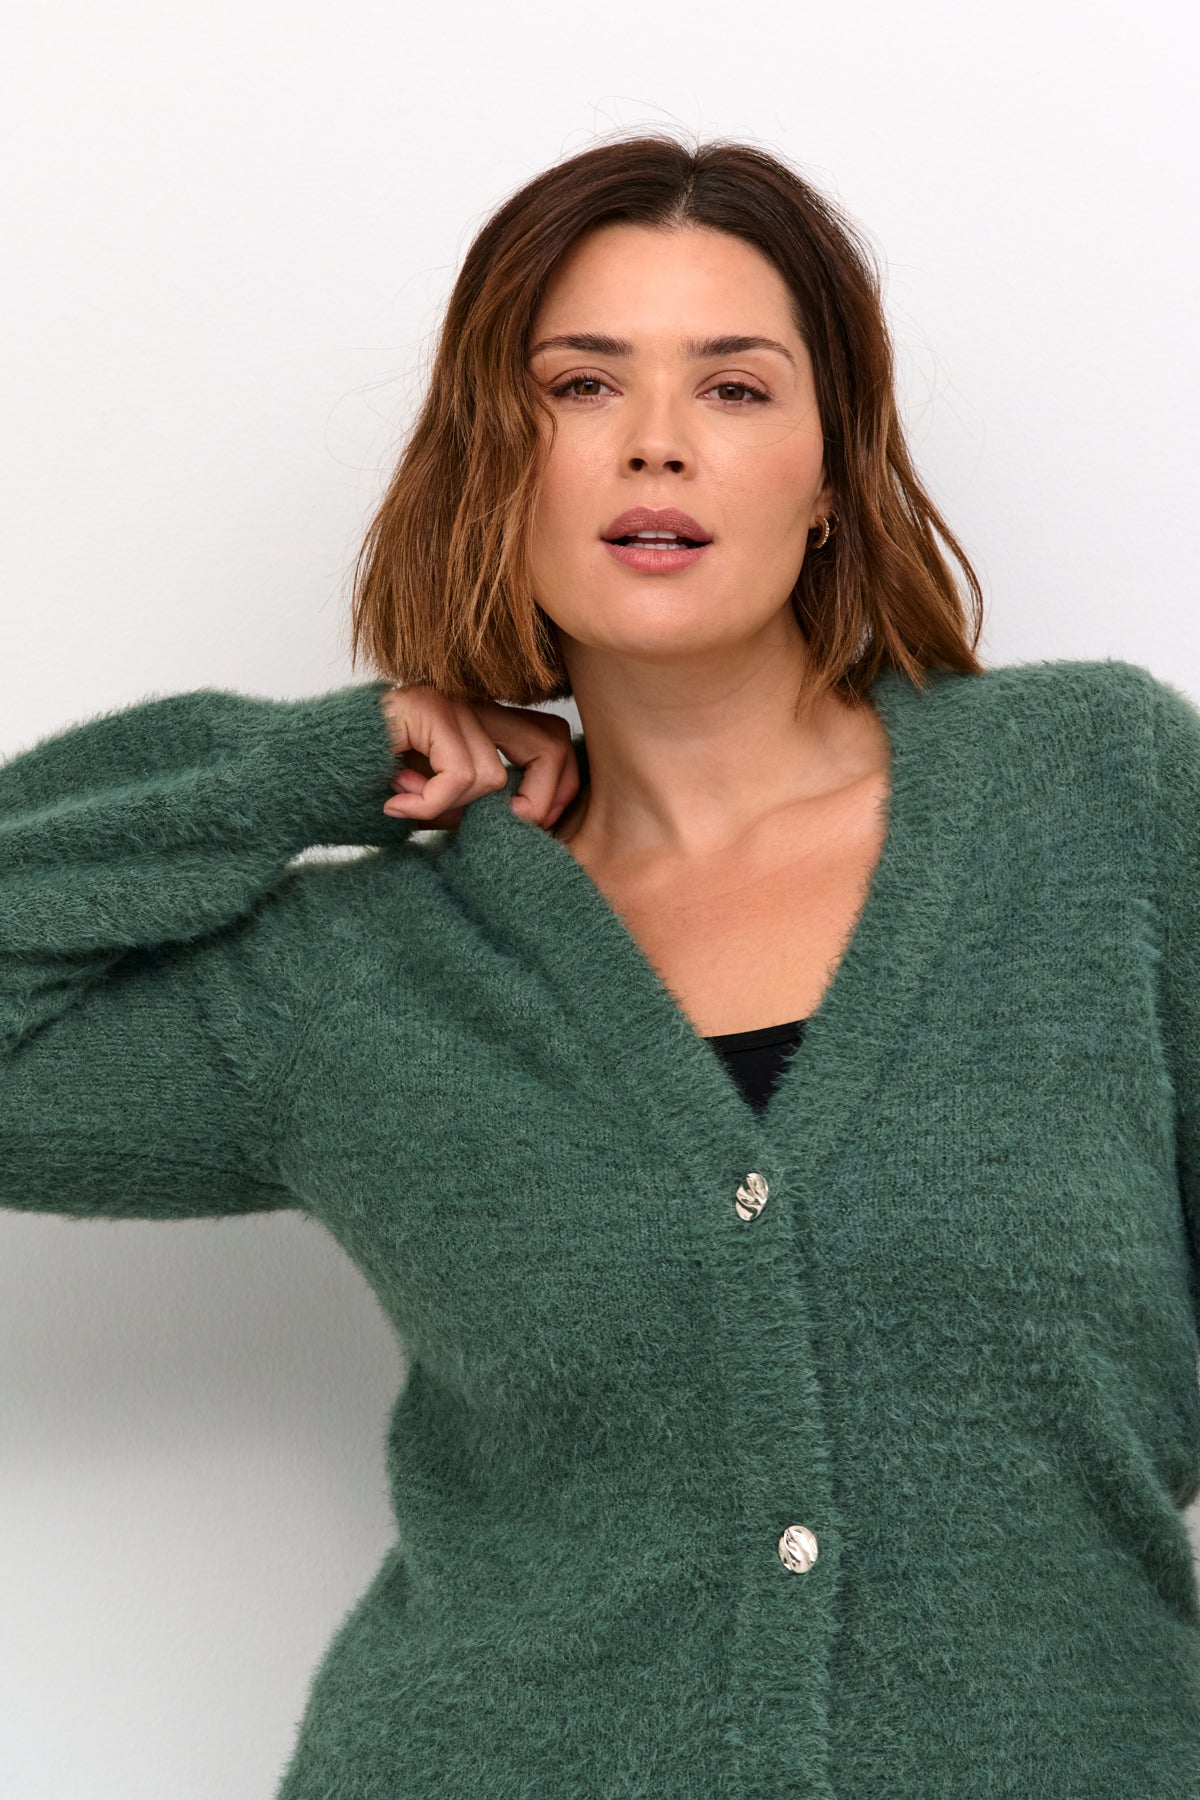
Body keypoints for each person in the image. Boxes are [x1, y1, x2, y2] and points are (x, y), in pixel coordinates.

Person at [3, 131, 1200, 1799]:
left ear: (832, 472)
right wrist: (308, 766)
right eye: (580, 386)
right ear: (496, 466)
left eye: (735, 388)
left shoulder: (1099, 800)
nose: (656, 440)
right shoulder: (362, 976)